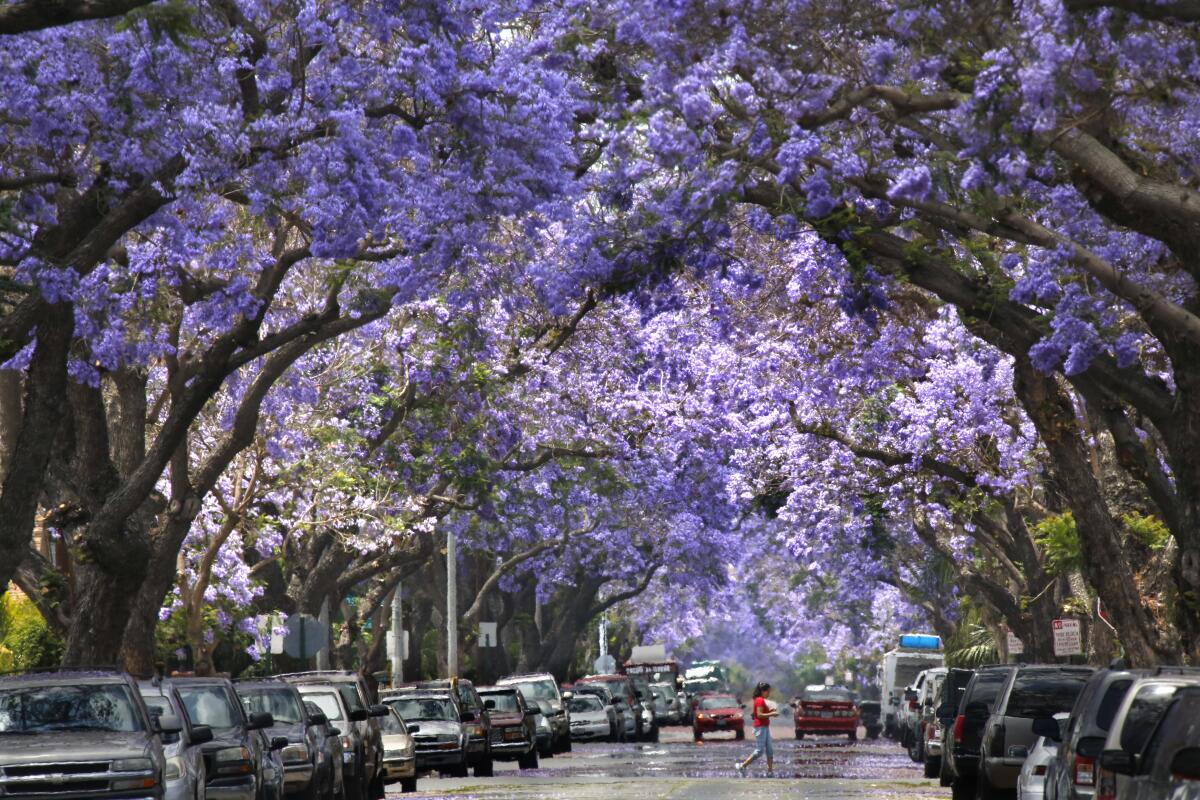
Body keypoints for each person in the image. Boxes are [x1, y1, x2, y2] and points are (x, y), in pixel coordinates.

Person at [736, 681, 778, 776]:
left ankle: (770, 771)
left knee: (770, 750)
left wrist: (771, 711)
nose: (769, 694)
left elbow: (758, 713)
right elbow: (759, 715)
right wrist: (772, 714)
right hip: (760, 728)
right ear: (763, 691)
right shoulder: (759, 700)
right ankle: (742, 766)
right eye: (768, 691)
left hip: (765, 727)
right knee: (760, 751)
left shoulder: (762, 700)